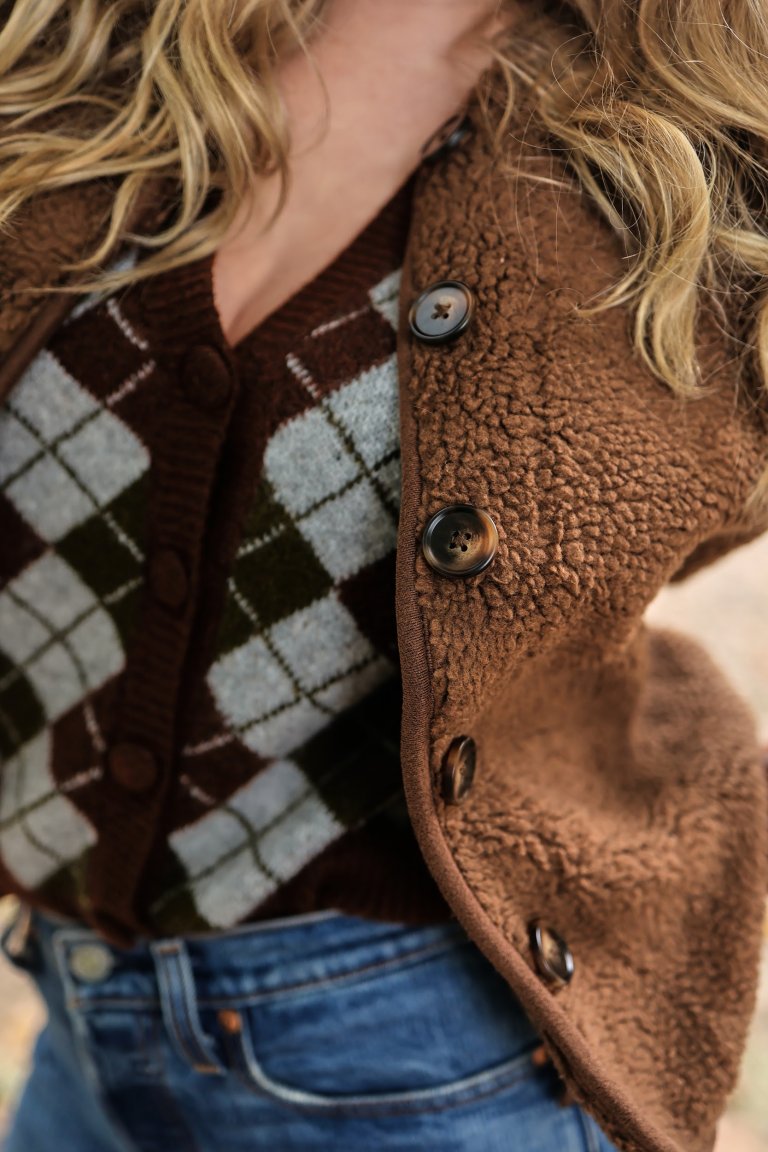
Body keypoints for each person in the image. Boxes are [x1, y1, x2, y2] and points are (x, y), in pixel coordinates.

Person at [0, 1, 766, 1150]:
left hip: (424, 1060)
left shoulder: (703, 127)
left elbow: (676, 521)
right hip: (80, 1022)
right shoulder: (82, 36)